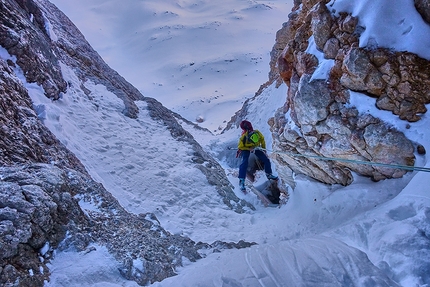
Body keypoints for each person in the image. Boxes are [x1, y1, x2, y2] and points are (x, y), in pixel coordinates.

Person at [236, 120, 278, 192]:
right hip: (246, 148)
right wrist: (249, 148)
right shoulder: (244, 137)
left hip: (256, 147)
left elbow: (262, 140)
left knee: (266, 159)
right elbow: (240, 147)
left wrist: (263, 149)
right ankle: (241, 180)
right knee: (244, 163)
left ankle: (269, 174)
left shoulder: (257, 133)